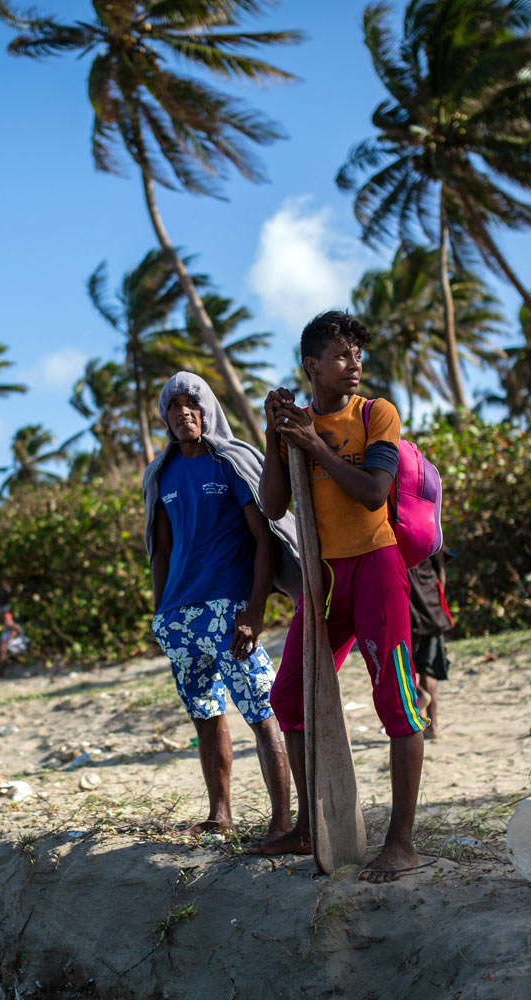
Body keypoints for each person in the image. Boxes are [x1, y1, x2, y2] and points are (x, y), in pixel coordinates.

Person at [256, 310, 429, 882]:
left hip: (377, 570)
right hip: (323, 579)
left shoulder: (376, 414)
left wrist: (318, 446)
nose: (353, 365)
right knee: (289, 696)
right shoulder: (295, 423)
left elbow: (374, 493)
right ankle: (310, 824)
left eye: (358, 355)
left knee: (397, 703)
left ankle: (400, 843)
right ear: (312, 366)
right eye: (340, 355)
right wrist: (275, 434)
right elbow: (275, 506)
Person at [141, 372, 300, 837]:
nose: (183, 412)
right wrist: (160, 612)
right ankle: (220, 815)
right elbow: (161, 549)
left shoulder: (232, 462)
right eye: (173, 406)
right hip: (181, 616)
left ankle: (282, 820)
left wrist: (255, 611)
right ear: (165, 417)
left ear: (207, 410)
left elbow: (265, 537)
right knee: (206, 717)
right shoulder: (160, 472)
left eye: (192, 403)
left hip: (229, 610)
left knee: (263, 712)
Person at [407, 550, 454, 740]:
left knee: (402, 669)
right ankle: (432, 727)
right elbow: (440, 570)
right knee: (428, 671)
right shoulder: (429, 527)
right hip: (431, 609)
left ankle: (419, 697)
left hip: (406, 611)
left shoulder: (389, 530)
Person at [0, 611, 29, 679]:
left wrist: (2, 645)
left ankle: (0, 672)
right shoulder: (5, 630)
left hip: (17, 647)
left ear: (10, 620)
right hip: (8, 646)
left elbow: (10, 637)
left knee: (3, 650)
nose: (5, 622)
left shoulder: (15, 628)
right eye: (4, 620)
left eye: (6, 620)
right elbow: (2, 641)